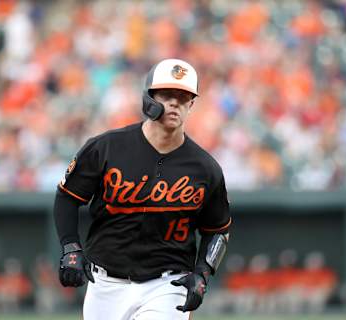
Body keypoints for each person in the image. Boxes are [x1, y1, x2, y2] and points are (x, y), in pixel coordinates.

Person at [53, 58, 231, 320]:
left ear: (191, 105)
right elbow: (67, 198)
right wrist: (71, 248)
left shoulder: (204, 167)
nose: (175, 102)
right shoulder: (106, 148)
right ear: (149, 98)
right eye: (167, 94)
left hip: (167, 284)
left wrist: (203, 272)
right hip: (106, 282)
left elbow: (218, 231)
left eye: (183, 97)